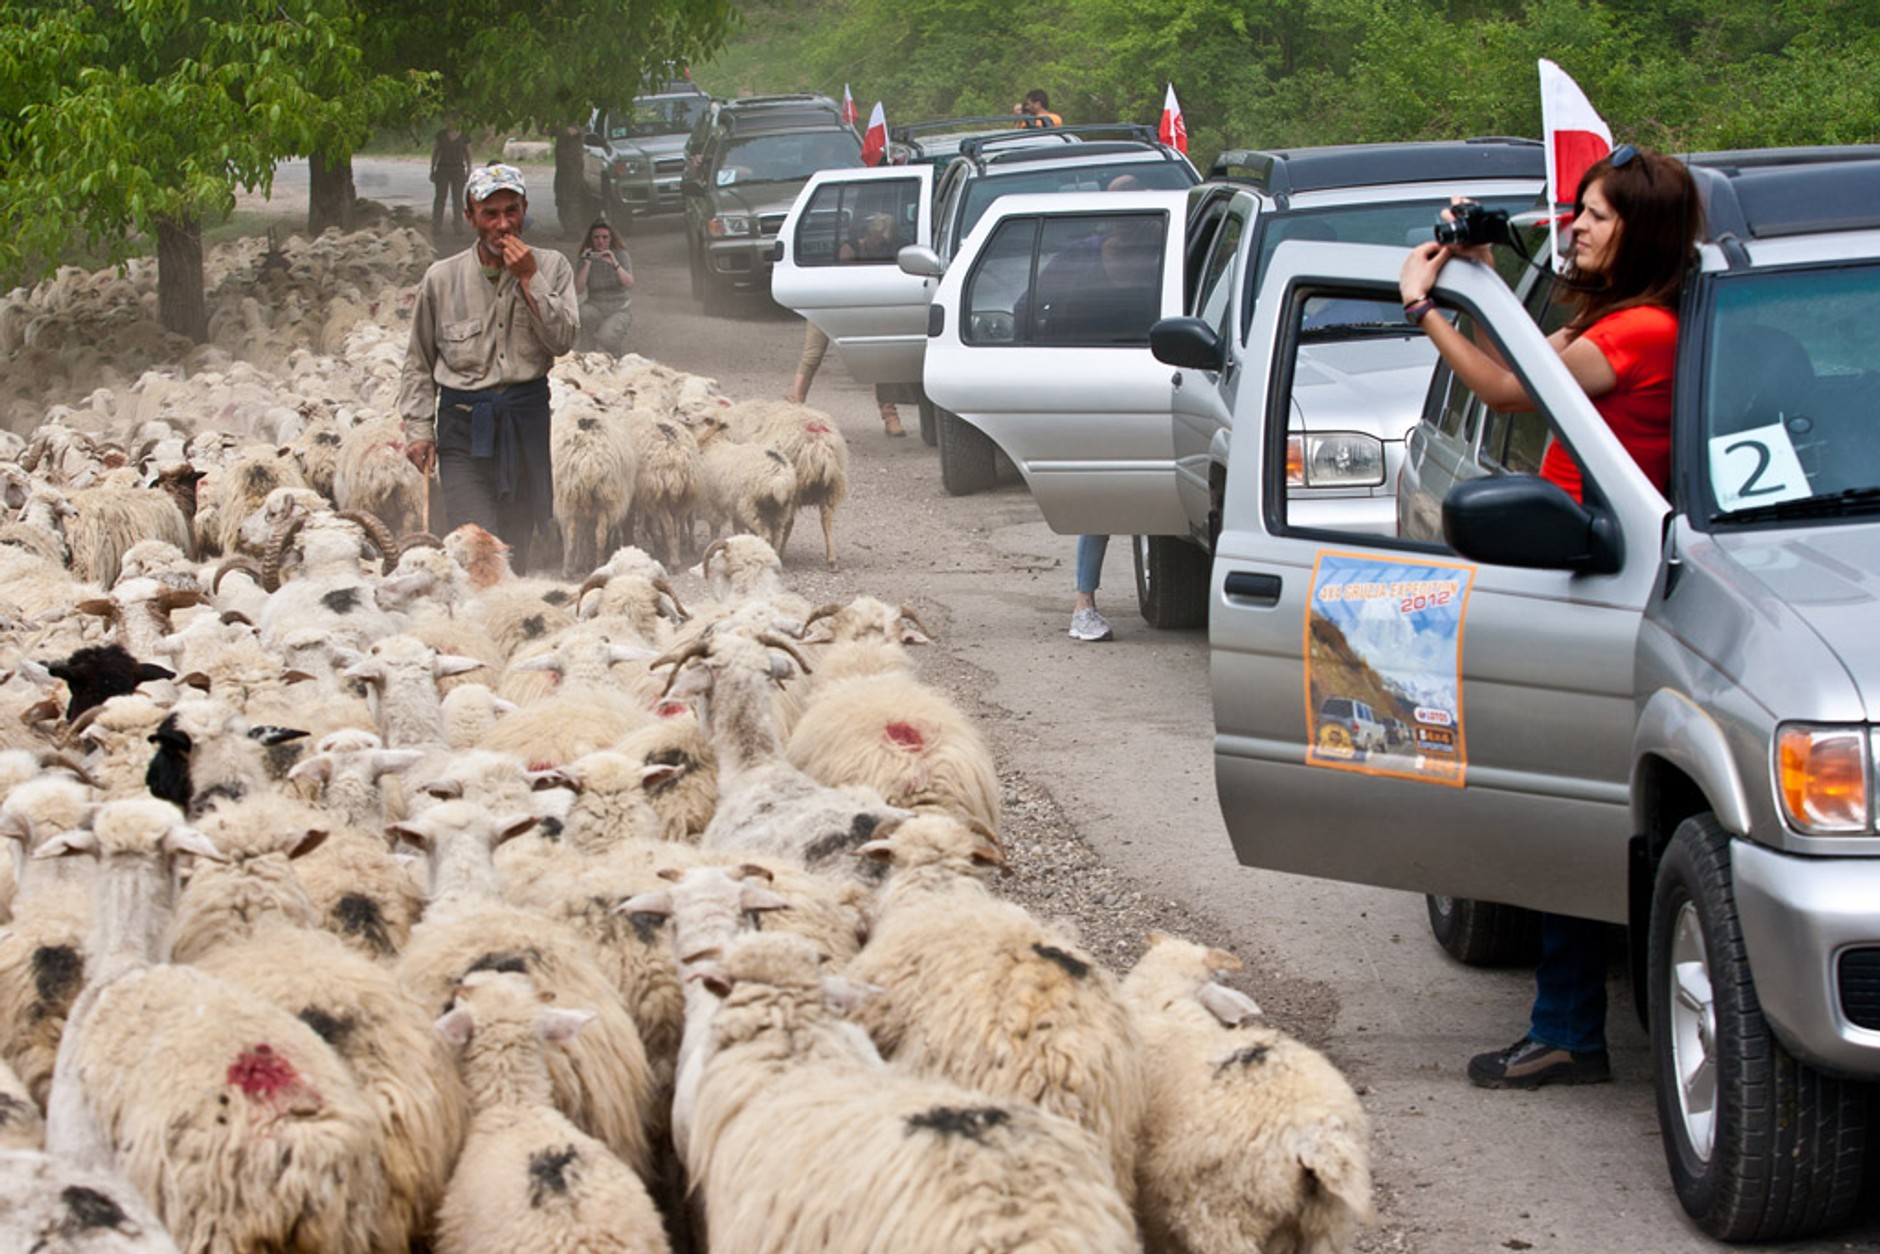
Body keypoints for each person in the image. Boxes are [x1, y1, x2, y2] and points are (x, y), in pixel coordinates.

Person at [1398, 144, 1701, 1088]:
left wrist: (1424, 306)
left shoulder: (1641, 331)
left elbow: (1505, 390)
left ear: (1640, 230)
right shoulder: (1630, 317)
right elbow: (1527, 366)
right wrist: (1489, 280)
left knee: (1568, 810)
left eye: (1596, 216)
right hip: (1583, 567)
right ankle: (1567, 1016)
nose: (1575, 228)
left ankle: (1569, 1024)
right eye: (1576, 212)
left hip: (1602, 581)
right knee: (1571, 807)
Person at [398, 164, 579, 573]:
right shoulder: (441, 279)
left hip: (524, 420)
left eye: (511, 211)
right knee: (475, 541)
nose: (503, 225)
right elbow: (418, 360)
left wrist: (529, 279)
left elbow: (563, 340)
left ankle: (506, 624)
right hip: (463, 424)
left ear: (524, 209)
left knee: (515, 546)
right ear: (470, 217)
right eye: (490, 214)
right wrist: (419, 430)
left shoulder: (552, 268)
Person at [1062, 174, 1154, 644]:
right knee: (1101, 495)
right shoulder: (1083, 256)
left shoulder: (1168, 249)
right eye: (1116, 210)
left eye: (1130, 209)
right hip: (1103, 380)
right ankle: (1084, 605)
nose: (1124, 220)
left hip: (1163, 377)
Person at [787, 208, 908, 436]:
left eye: (883, 244)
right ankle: (795, 404)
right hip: (830, 301)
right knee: (812, 354)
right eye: (877, 241)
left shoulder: (895, 249)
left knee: (879, 359)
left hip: (867, 306)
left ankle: (890, 414)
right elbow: (840, 273)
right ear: (868, 235)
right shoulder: (849, 247)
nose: (879, 246)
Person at [573, 219, 634, 354]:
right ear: (591, 239)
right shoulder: (585, 257)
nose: (600, 241)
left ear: (611, 238)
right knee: (583, 313)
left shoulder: (620, 254)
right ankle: (586, 357)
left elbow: (629, 283)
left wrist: (615, 264)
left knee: (606, 337)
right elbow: (578, 290)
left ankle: (616, 357)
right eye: (596, 237)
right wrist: (586, 264)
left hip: (618, 309)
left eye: (605, 237)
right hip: (595, 306)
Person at [429, 123, 472, 238]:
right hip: (443, 169)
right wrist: (432, 168)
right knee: (440, 198)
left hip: (458, 169)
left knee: (457, 199)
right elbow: (436, 152)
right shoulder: (441, 135)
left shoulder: (464, 136)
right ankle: (436, 226)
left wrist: (469, 169)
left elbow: (468, 153)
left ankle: (459, 226)